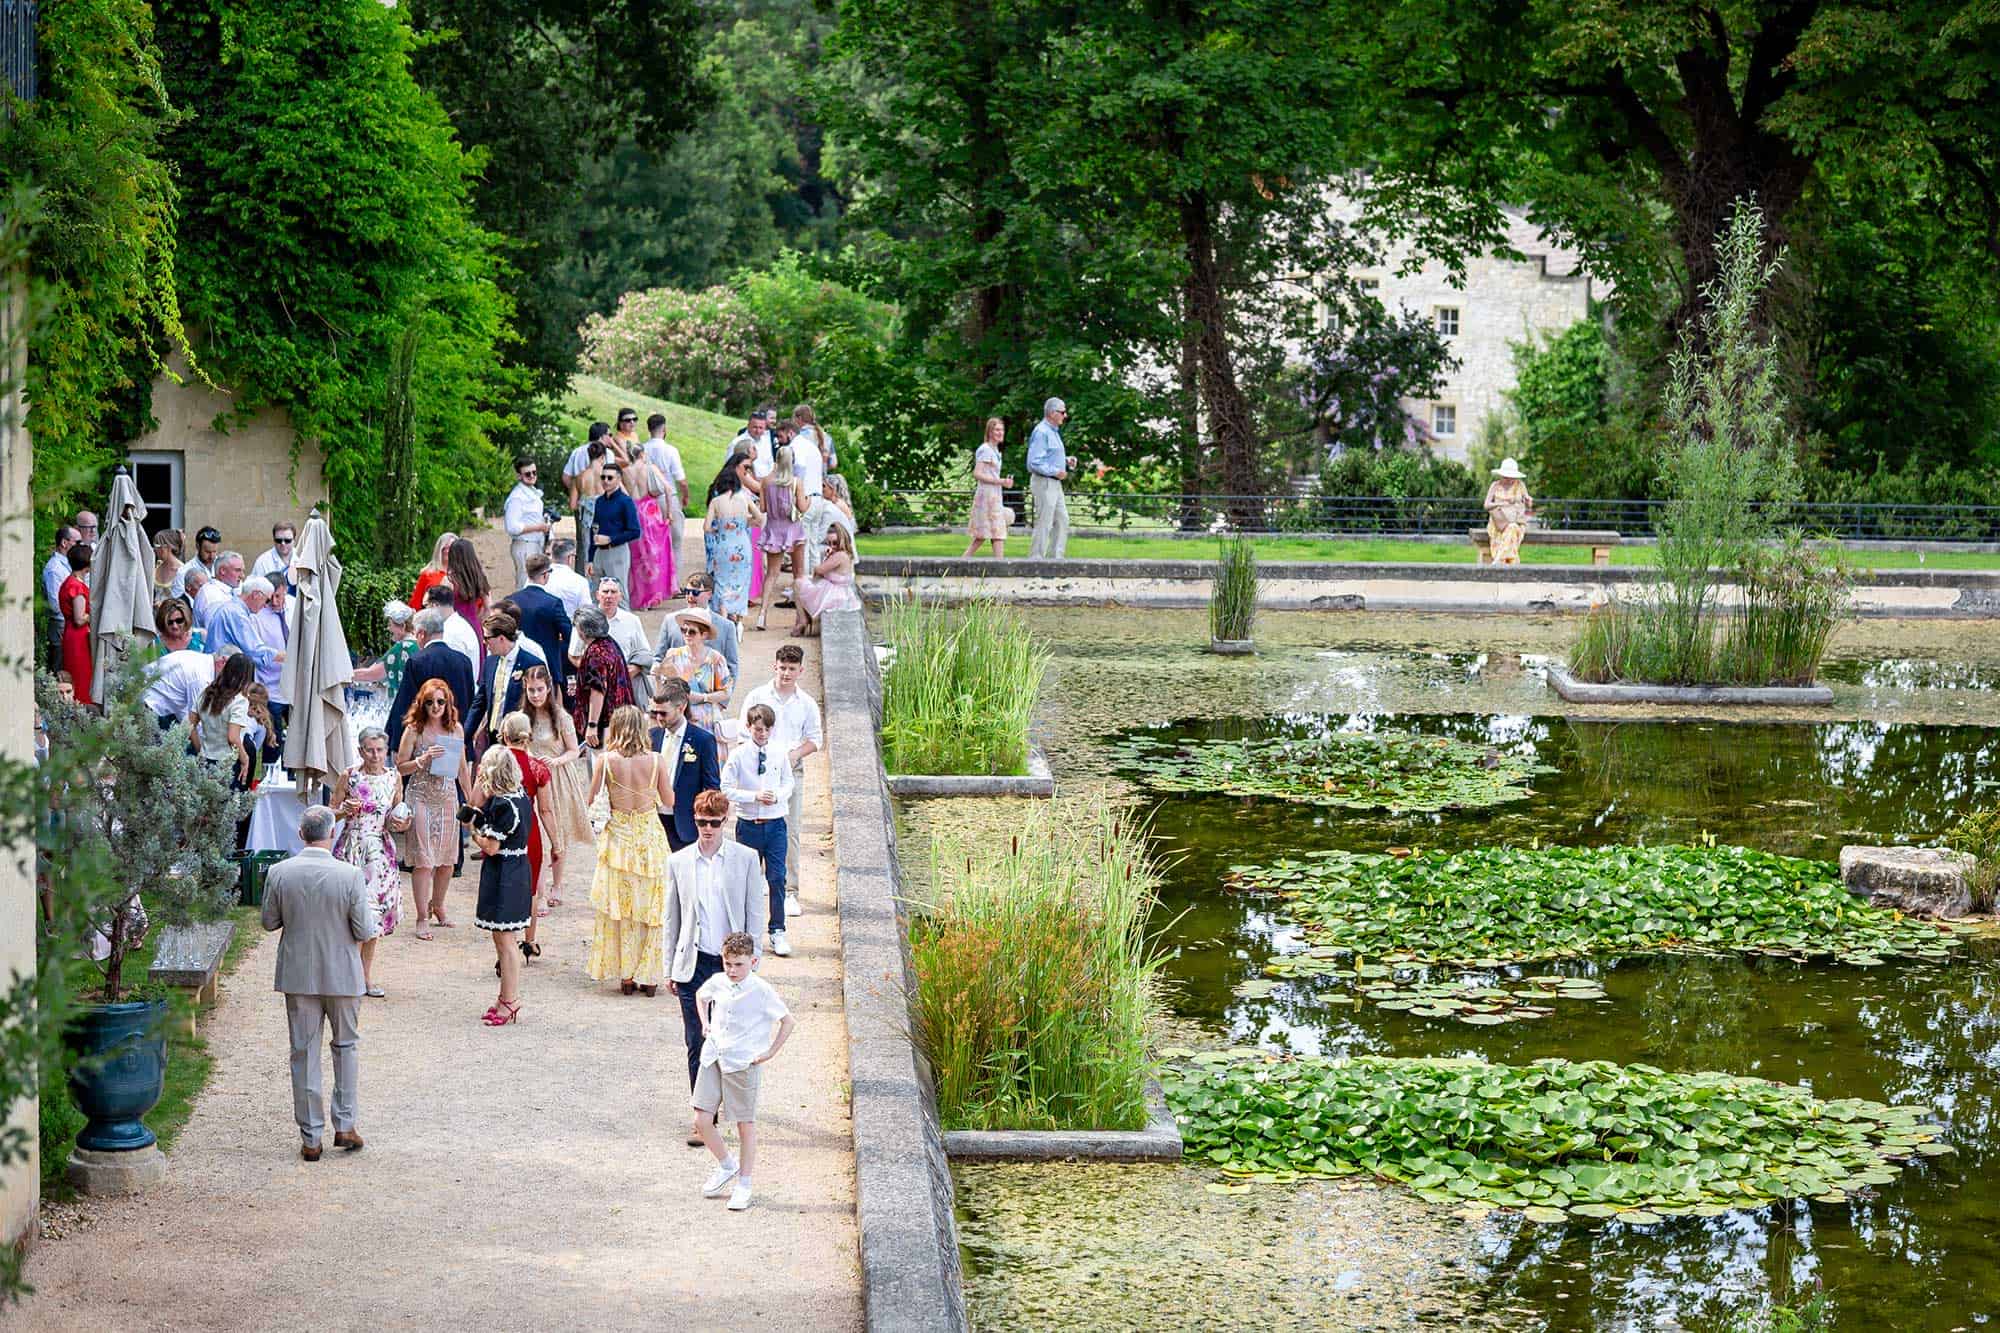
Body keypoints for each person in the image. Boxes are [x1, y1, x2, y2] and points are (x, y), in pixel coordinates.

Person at [261, 804, 377, 1161]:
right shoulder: (350, 875)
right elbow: (365, 929)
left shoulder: (280, 872)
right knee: (346, 1048)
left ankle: (311, 1135)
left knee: (304, 1052)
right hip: (342, 972)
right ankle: (344, 1123)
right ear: (332, 834)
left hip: (299, 972)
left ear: (301, 835)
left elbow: (268, 922)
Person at [663, 790, 768, 1134]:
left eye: (714, 822)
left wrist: (753, 959)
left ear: (726, 821)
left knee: (732, 1040)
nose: (707, 829)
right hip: (694, 963)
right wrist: (669, 967)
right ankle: (704, 1117)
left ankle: (735, 1108)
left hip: (732, 967)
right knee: (697, 1040)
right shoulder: (678, 862)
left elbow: (755, 911)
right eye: (701, 822)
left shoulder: (746, 859)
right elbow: (672, 920)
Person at [690, 931, 795, 1212]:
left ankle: (745, 1184)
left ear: (753, 961)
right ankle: (727, 1165)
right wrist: (705, 1025)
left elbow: (787, 1021)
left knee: (745, 1124)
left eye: (739, 964)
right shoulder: (718, 982)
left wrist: (770, 1052)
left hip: (742, 1062)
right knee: (702, 1119)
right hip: (714, 1055)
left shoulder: (761, 990)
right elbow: (702, 996)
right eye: (728, 964)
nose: (732, 970)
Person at [585, 705, 673, 996]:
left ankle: (625, 976)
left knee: (622, 909)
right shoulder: (657, 760)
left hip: (618, 839)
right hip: (649, 837)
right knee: (651, 907)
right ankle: (649, 976)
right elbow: (668, 799)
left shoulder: (605, 761)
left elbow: (591, 798)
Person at [738, 642, 821, 917]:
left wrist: (795, 754)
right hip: (757, 766)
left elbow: (815, 740)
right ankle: (758, 879)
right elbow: (742, 731)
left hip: (790, 769)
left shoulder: (806, 703)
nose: (786, 673)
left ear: (800, 670)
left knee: (791, 828)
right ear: (775, 666)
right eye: (782, 667)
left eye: (791, 669)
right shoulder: (757, 695)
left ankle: (790, 891)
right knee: (754, 821)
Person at [395, 678, 471, 939]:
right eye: (430, 702)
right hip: (420, 796)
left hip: (448, 796)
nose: (436, 706)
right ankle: (421, 916)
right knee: (424, 861)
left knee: (448, 861)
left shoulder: (456, 729)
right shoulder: (414, 730)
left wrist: (470, 801)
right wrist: (422, 760)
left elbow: (462, 768)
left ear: (448, 702)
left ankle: (437, 904)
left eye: (440, 701)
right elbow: (399, 766)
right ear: (422, 704)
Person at [331, 728, 402, 998]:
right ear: (360, 750)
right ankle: (346, 975)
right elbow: (330, 812)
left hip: (380, 853)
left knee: (373, 918)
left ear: (386, 751)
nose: (375, 755)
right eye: (370, 750)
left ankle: (365, 977)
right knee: (348, 915)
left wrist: (400, 822)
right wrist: (342, 811)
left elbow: (398, 814)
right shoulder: (350, 775)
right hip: (351, 849)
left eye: (380, 750)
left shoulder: (394, 777)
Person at [467, 745, 533, 1026]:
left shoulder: (503, 804)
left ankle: (511, 1000)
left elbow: (492, 847)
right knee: (503, 938)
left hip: (504, 871)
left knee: (506, 942)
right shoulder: (520, 796)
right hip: (517, 867)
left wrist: (474, 832)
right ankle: (504, 997)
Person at [723, 703, 795, 957]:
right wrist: (753, 796)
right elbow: (726, 787)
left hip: (775, 824)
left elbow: (789, 781)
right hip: (749, 825)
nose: (762, 734)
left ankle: (777, 930)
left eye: (766, 730)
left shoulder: (779, 753)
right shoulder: (739, 755)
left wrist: (777, 796)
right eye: (757, 730)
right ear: (749, 728)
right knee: (746, 880)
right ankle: (745, 934)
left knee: (776, 877)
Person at [520, 665, 588, 905]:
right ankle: (535, 885)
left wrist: (555, 761)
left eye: (539, 689)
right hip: (530, 778)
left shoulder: (561, 717)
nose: (535, 695)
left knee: (557, 832)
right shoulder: (522, 716)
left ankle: (557, 886)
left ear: (549, 689)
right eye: (531, 690)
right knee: (534, 833)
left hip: (557, 777)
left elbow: (574, 750)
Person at [497, 711, 555, 953]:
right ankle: (529, 940)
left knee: (503, 883)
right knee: (530, 888)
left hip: (501, 827)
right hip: (527, 828)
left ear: (503, 734)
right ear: (528, 736)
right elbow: (546, 809)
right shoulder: (538, 768)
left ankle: (505, 942)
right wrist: (557, 843)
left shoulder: (494, 763)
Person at [385, 607, 475, 757]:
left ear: (421, 633)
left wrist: (395, 744)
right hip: (457, 736)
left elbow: (406, 704)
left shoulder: (417, 661)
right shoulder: (463, 661)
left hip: (426, 741)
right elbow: (470, 700)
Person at [648, 678, 721, 852]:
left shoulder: (702, 740)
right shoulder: (651, 736)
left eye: (663, 713)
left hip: (685, 824)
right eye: (654, 713)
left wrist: (705, 822)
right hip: (653, 821)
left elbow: (711, 787)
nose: (658, 718)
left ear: (681, 708)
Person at [470, 611, 545, 758]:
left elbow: (541, 704)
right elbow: (480, 702)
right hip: (493, 737)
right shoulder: (490, 662)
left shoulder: (531, 663)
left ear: (501, 638)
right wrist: (466, 734)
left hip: (519, 739)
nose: (484, 642)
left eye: (487, 638)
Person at [567, 607, 634, 752]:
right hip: (621, 717)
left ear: (583, 631)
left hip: (606, 724)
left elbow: (597, 690)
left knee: (602, 769)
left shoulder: (596, 653)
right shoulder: (609, 643)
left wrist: (592, 725)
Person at [656, 606, 733, 732]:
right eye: (683, 630)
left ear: (704, 635)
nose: (686, 634)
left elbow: (726, 692)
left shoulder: (716, 659)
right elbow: (664, 690)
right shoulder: (673, 655)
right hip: (677, 720)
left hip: (706, 722)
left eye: (692, 632)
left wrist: (703, 697)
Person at [754, 445, 805, 633]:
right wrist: (808, 501)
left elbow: (763, 508)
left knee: (772, 574)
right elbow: (802, 507)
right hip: (794, 530)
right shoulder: (796, 482)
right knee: (798, 575)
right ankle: (800, 617)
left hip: (773, 529)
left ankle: (762, 614)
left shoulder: (766, 481)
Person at [704, 457, 763, 621]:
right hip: (742, 543)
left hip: (723, 545)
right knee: (741, 579)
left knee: (722, 580)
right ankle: (737, 615)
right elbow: (759, 519)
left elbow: (707, 527)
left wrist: (720, 528)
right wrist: (744, 523)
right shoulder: (744, 497)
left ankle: (723, 613)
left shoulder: (716, 501)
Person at [624, 440, 677, 610]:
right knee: (655, 554)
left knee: (637, 557)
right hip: (650, 511)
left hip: (633, 511)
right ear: (642, 454)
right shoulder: (650, 468)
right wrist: (669, 513)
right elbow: (668, 489)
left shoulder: (626, 471)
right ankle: (653, 595)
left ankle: (638, 597)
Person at [653, 573, 740, 678]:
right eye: (687, 591)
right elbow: (658, 658)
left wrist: (724, 692)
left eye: (695, 592)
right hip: (675, 690)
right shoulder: (670, 620)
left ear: (709, 594)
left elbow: (732, 667)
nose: (690, 596)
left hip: (710, 691)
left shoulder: (726, 626)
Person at [141, 605, 214, 731]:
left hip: (196, 696)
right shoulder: (155, 644)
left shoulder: (201, 636)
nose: (175, 626)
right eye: (170, 622)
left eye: (179, 620)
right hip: (167, 704)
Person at [509, 554, 574, 695]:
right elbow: (570, 636)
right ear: (545, 575)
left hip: (518, 668)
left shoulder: (510, 601)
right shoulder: (553, 603)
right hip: (547, 667)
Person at [1026, 397, 1076, 559]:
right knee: (1045, 521)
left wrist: (1066, 460)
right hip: (1044, 482)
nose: (1065, 415)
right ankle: (1036, 558)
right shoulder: (1041, 432)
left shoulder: (1053, 432)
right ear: (1052, 413)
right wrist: (1055, 471)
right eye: (1062, 412)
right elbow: (1034, 462)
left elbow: (1048, 456)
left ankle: (1056, 558)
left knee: (1062, 519)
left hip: (1054, 483)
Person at [791, 526, 861, 636]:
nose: (832, 546)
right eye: (829, 543)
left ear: (842, 541)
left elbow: (818, 570)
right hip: (840, 592)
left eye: (835, 543)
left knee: (798, 583)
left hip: (834, 595)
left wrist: (827, 557)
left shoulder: (839, 555)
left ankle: (802, 620)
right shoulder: (846, 554)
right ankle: (803, 620)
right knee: (803, 583)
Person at [563, 423, 610, 577]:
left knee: (586, 550)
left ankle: (586, 583)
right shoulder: (607, 476)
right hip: (605, 517)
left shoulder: (580, 477)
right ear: (603, 457)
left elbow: (572, 504)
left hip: (586, 520)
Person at [965, 417, 1015, 557]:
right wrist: (1000, 481)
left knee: (986, 534)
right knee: (996, 532)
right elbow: (977, 473)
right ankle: (1000, 567)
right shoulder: (985, 450)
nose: (1001, 433)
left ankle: (961, 562)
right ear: (990, 431)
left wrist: (1003, 482)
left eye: (1002, 430)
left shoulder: (995, 450)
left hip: (994, 495)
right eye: (997, 430)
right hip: (987, 496)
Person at [591, 458, 641, 599]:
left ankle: (626, 620)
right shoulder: (599, 501)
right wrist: (590, 557)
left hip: (617, 552)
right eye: (603, 477)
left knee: (619, 595)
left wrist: (611, 539)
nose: (605, 480)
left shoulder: (625, 502)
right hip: (598, 553)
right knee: (597, 594)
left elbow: (635, 531)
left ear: (618, 479)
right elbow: (593, 529)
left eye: (610, 478)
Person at [350, 602, 418, 699]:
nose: (388, 628)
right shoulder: (419, 644)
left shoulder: (403, 647)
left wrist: (343, 676)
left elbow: (371, 674)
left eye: (390, 625)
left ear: (402, 626)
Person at [642, 413, 691, 548]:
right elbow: (681, 480)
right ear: (664, 429)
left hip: (647, 499)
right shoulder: (670, 450)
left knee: (652, 541)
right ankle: (673, 568)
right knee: (675, 540)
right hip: (668, 498)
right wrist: (686, 496)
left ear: (649, 430)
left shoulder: (642, 449)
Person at [801, 475, 858, 580]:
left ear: (833, 489)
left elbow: (821, 536)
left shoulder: (833, 508)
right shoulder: (834, 504)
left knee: (810, 549)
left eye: (824, 486)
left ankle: (811, 579)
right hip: (841, 544)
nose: (821, 489)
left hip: (842, 547)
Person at [58, 543, 93, 705]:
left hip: (70, 633)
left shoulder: (69, 581)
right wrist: (95, 613)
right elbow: (80, 619)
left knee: (76, 674)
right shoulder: (76, 586)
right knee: (81, 676)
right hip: (78, 637)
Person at [445, 538, 491, 660]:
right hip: (474, 623)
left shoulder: (449, 580)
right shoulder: (480, 576)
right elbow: (488, 607)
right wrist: (479, 620)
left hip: (454, 625)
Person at [1484, 457, 1535, 566]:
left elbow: (1528, 504)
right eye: (1506, 477)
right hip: (1499, 523)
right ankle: (1511, 564)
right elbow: (1486, 505)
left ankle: (1499, 560)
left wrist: (1528, 501)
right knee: (1510, 529)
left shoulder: (1520, 485)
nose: (1510, 480)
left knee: (1512, 527)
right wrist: (1501, 504)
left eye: (1512, 477)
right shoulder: (1495, 485)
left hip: (1516, 521)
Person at [425, 583, 481, 675]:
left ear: (434, 605)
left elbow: (452, 669)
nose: (424, 611)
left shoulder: (451, 632)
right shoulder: (459, 624)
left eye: (425, 606)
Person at [44, 522, 79, 660]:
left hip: (69, 624)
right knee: (59, 670)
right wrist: (77, 614)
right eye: (77, 542)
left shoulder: (67, 565)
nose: (80, 546)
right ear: (64, 543)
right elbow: (55, 605)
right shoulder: (54, 569)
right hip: (61, 625)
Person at [407, 532, 457, 610]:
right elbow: (415, 604)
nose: (447, 551)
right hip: (432, 619)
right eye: (445, 547)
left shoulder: (461, 574)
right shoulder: (428, 574)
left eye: (451, 548)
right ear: (439, 549)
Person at [171, 524, 221, 599]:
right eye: (207, 552)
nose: (212, 556)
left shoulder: (223, 566)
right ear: (197, 546)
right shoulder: (184, 571)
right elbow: (178, 601)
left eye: (214, 551)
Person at [544, 538, 591, 617]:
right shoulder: (580, 582)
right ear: (570, 558)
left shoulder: (537, 576)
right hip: (569, 626)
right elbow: (587, 612)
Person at [789, 404, 826, 502]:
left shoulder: (800, 437)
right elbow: (833, 462)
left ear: (799, 418)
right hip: (820, 486)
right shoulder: (825, 435)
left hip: (805, 489)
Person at [251, 522, 296, 586]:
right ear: (274, 540)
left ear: (294, 540)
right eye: (279, 540)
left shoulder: (302, 559)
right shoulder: (262, 562)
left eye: (287, 540)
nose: (283, 544)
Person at [151, 528, 186, 605]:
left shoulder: (181, 571)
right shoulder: (157, 566)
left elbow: (181, 601)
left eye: (157, 545)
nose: (155, 549)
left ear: (167, 547)